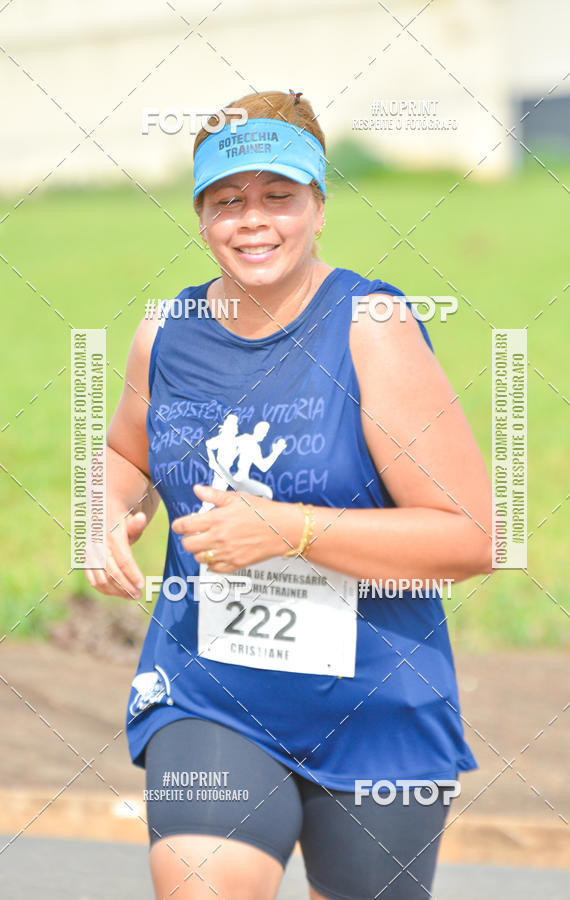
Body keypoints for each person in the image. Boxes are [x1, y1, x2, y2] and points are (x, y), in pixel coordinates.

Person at [84, 89, 493, 900]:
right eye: (227, 201)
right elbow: (125, 453)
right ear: (201, 216)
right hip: (210, 694)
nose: (253, 221)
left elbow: (474, 536)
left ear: (319, 207)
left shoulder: (372, 326)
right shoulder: (164, 332)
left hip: (377, 703)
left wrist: (290, 529)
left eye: (279, 195)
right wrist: (101, 510)